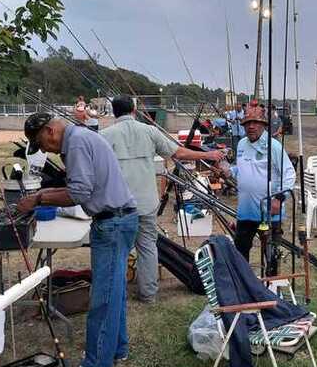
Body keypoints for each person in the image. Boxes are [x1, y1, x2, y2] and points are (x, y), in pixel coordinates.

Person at [18, 113, 138, 367]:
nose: (46, 150)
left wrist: (38, 199)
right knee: (114, 291)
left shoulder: (76, 143)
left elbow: (79, 192)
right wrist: (43, 194)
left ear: (50, 131)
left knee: (103, 296)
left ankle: (98, 363)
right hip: (121, 219)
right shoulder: (82, 137)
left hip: (112, 223)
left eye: (41, 144)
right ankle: (117, 349)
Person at [100, 96, 225, 303]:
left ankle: (116, 295)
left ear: (114, 112)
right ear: (134, 110)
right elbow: (178, 153)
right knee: (148, 247)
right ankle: (148, 293)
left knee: (118, 250)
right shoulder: (150, 131)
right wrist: (208, 155)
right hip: (146, 203)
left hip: (118, 205)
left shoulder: (104, 136)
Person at [218, 106, 295, 273]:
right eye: (247, 123)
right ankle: (245, 282)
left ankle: (271, 283)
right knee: (241, 249)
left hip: (269, 211)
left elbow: (289, 173)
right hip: (245, 210)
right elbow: (241, 168)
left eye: (255, 123)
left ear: (264, 125)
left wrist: (279, 199)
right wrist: (228, 171)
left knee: (270, 253)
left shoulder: (273, 146)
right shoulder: (241, 144)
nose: (251, 126)